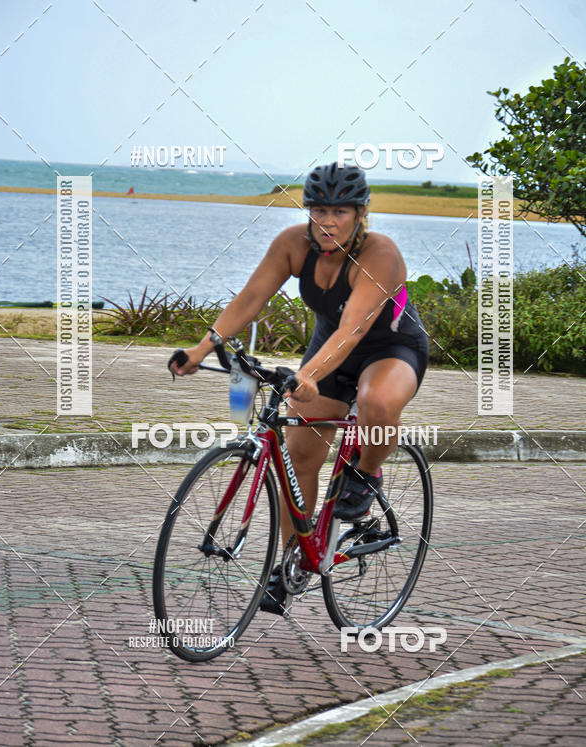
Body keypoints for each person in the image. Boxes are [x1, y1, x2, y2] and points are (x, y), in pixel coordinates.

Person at [170, 162, 429, 615]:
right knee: (299, 456)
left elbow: (353, 329)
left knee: (376, 400)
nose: (327, 221)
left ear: (360, 214)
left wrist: (309, 374)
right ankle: (294, 562)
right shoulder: (293, 244)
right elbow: (251, 298)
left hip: (390, 347)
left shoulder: (381, 254)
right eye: (318, 210)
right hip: (330, 347)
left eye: (339, 212)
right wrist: (201, 348)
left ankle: (367, 473)